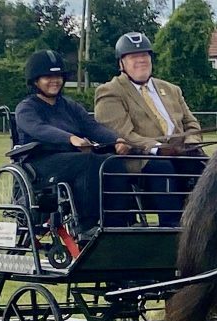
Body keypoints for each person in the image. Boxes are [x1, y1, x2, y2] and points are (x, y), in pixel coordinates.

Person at [15, 49, 132, 232]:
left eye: (58, 76)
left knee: (112, 162)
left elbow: (92, 127)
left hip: (73, 159)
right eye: (48, 77)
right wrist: (70, 139)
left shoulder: (70, 106)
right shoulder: (26, 108)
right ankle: (86, 224)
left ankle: (118, 221)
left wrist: (116, 140)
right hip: (39, 164)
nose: (55, 81)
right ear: (35, 81)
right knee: (88, 162)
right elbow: (39, 129)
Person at [94, 31, 204, 220]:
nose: (141, 60)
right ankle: (171, 226)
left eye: (144, 55)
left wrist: (190, 143)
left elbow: (191, 124)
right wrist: (158, 148)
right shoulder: (110, 92)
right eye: (133, 57)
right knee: (162, 167)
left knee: (208, 166)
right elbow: (124, 134)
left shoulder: (171, 90)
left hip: (181, 154)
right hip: (141, 159)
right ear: (121, 63)